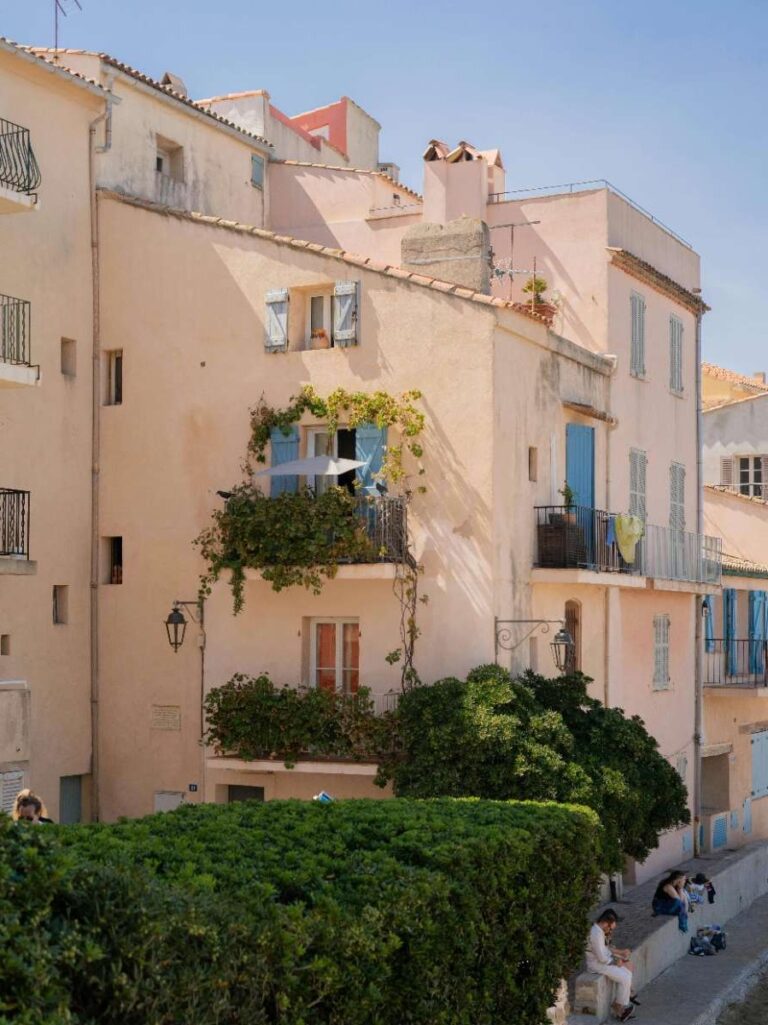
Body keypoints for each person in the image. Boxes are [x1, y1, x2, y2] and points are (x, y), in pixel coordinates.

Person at [585, 908, 639, 1022]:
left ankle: (620, 1005)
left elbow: (605, 950)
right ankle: (620, 1007)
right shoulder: (596, 934)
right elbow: (601, 957)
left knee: (627, 972)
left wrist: (618, 956)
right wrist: (615, 961)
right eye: (610, 928)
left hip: (602, 962)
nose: (610, 930)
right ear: (606, 923)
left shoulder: (598, 931)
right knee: (625, 977)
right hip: (596, 965)